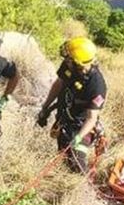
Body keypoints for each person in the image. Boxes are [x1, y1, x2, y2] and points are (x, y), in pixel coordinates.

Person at [37, 36, 107, 173]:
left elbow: (91, 118)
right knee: (64, 157)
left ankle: (85, 189)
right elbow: (59, 84)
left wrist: (79, 137)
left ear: (78, 63)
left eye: (69, 57)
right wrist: (46, 106)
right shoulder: (69, 66)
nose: (66, 59)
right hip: (64, 119)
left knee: (77, 162)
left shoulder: (96, 85)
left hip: (81, 125)